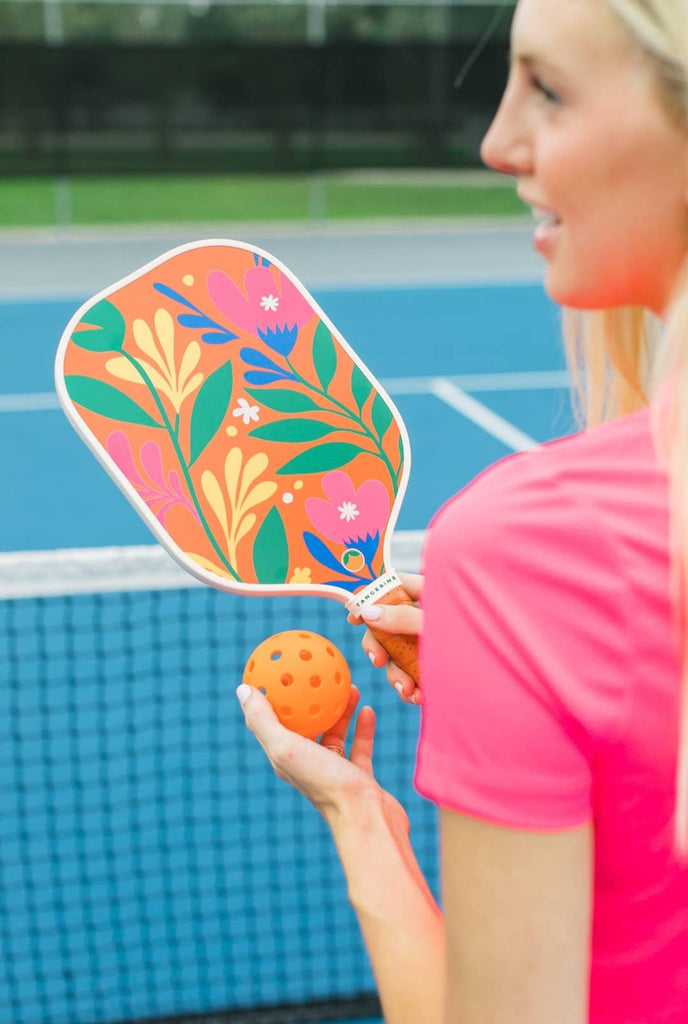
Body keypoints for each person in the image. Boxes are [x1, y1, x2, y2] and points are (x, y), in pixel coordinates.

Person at [235, 0, 688, 1020]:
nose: (494, 141)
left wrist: (361, 819)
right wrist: (534, 689)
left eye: (549, 88)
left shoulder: (528, 551)